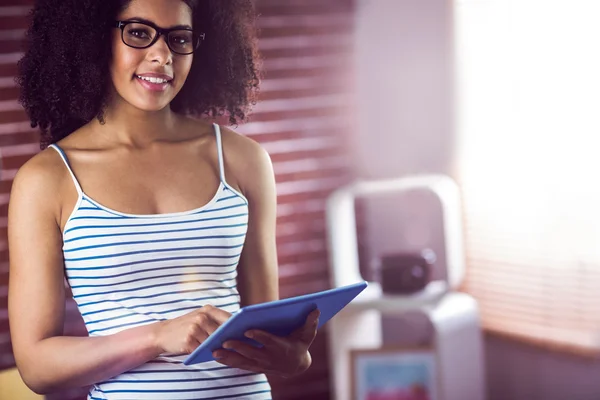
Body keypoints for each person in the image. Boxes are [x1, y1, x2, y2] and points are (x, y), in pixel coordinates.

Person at [7, 0, 319, 398]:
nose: (162, 55)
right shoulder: (47, 180)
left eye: (180, 38)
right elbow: (37, 366)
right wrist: (156, 337)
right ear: (94, 38)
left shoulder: (242, 161)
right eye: (139, 33)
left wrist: (293, 356)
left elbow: (265, 332)